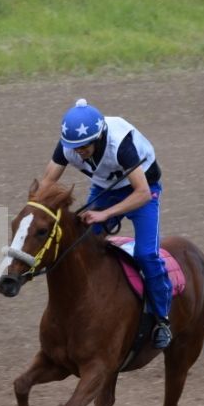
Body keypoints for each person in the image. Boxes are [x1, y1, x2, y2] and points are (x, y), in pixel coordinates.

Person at [39, 99, 174, 349]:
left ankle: (163, 319)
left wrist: (105, 214)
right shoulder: (69, 145)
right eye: (74, 147)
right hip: (105, 189)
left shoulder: (120, 145)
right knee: (80, 243)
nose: (78, 151)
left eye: (83, 146)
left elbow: (142, 192)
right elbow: (47, 181)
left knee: (146, 254)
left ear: (99, 136)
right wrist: (35, 209)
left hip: (143, 192)